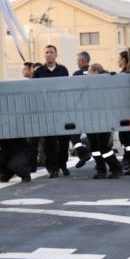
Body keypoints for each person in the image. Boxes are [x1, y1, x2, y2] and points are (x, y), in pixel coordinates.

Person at [33, 45, 71, 178]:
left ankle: (63, 165)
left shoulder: (63, 70)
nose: (49, 54)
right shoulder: (39, 72)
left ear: (56, 54)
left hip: (61, 110)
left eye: (51, 52)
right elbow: (34, 91)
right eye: (47, 52)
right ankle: (52, 169)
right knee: (48, 142)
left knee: (64, 140)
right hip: (46, 111)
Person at [86, 63, 122, 179]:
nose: (88, 74)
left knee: (103, 147)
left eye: (89, 71)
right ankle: (101, 169)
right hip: (90, 119)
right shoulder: (88, 85)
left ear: (96, 71)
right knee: (94, 148)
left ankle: (116, 168)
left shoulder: (105, 83)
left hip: (103, 119)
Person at [70, 51, 92, 167]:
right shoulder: (94, 72)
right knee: (94, 136)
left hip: (79, 110)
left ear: (82, 61)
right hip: (93, 110)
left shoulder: (77, 74)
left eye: (77, 60)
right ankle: (100, 164)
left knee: (74, 134)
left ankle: (82, 153)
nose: (77, 63)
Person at [118, 50, 130, 171]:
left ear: (124, 60)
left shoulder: (125, 75)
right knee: (125, 138)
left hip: (128, 112)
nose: (118, 61)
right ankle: (128, 159)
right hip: (125, 112)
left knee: (128, 139)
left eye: (119, 59)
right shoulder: (125, 74)